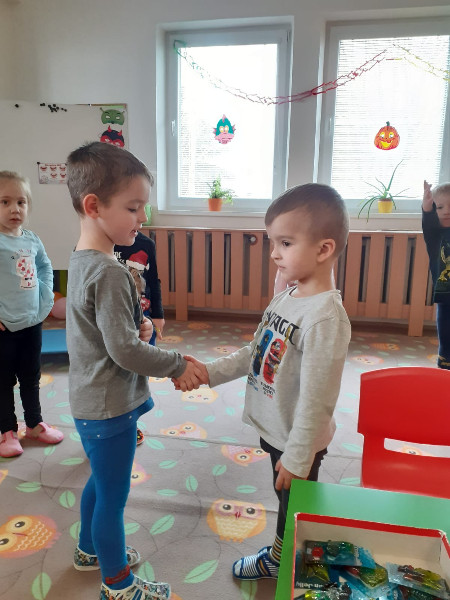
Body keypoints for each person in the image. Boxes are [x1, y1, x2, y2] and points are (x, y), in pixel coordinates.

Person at [176, 183, 351, 580]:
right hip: (277, 427)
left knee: (292, 503)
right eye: (273, 242)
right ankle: (296, 547)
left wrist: (298, 456)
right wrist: (209, 372)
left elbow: (319, 399)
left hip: (298, 438)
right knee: (287, 496)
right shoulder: (289, 298)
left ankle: (281, 559)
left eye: (285, 243)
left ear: (324, 249)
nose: (274, 253)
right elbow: (255, 352)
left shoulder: (325, 319)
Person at [65, 142, 206, 600]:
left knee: (100, 482)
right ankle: (118, 584)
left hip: (91, 400)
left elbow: (106, 329)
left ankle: (89, 550)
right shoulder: (108, 271)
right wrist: (177, 364)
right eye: (132, 207)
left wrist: (140, 324)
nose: (142, 218)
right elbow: (125, 350)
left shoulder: (83, 259)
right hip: (109, 406)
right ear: (93, 206)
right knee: (113, 496)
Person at [0, 171, 64, 458]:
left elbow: (45, 267)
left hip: (32, 323)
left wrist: (45, 298)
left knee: (31, 377)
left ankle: (35, 424)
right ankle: (6, 430)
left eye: (21, 202)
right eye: (5, 202)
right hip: (4, 327)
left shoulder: (32, 240)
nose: (15, 209)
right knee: (3, 380)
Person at [114, 231, 165, 446]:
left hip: (144, 317)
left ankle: (131, 421)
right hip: (116, 318)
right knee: (119, 374)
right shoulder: (102, 242)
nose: (141, 217)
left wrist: (158, 314)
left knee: (139, 372)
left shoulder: (146, 244)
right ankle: (122, 423)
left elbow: (153, 280)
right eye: (133, 213)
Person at [422, 180, 450, 369]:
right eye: (440, 207)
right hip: (445, 294)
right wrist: (427, 205)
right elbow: (427, 221)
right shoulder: (435, 235)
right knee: (446, 330)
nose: (446, 211)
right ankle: (445, 360)